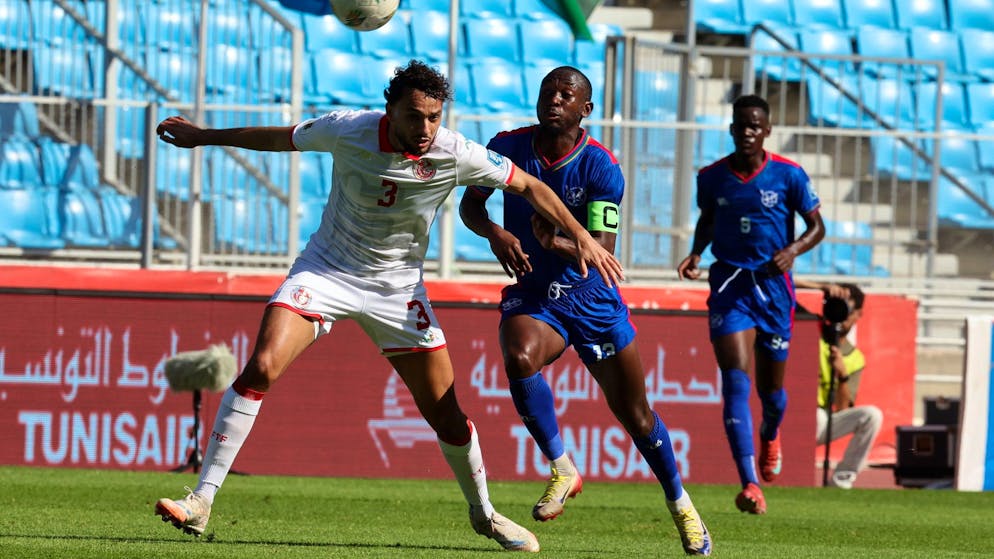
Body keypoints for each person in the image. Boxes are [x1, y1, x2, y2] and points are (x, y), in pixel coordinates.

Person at [152, 59, 625, 553]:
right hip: (326, 271)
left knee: (445, 413)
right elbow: (278, 138)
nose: (426, 129)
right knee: (263, 365)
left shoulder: (456, 151)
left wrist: (580, 238)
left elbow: (531, 186)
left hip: (398, 292)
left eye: (435, 117)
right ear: (389, 111)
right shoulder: (347, 129)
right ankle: (202, 500)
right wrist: (203, 136)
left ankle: (484, 514)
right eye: (415, 116)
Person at [459, 66, 711, 556]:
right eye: (547, 92)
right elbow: (471, 206)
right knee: (518, 358)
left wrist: (550, 237)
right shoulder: (507, 146)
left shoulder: (601, 167)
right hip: (535, 296)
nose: (554, 99)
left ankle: (681, 504)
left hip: (591, 298)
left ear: (585, 109)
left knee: (635, 417)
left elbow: (600, 249)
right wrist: (497, 234)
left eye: (565, 94)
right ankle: (562, 467)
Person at [677, 94, 825, 515]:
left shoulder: (789, 175)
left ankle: (770, 432)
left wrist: (794, 250)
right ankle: (749, 483)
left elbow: (818, 227)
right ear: (731, 129)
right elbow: (708, 218)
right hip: (730, 284)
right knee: (735, 382)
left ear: (767, 131)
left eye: (755, 126)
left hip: (774, 290)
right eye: (740, 125)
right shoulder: (711, 177)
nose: (747, 132)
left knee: (771, 392)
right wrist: (696, 252)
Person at [797, 280, 883, 489]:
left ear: (858, 313)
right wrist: (821, 287)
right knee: (816, 415)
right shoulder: (809, 326)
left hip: (823, 420)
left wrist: (842, 374)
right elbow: (783, 284)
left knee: (872, 416)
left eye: (847, 308)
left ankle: (841, 481)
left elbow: (843, 408)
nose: (841, 314)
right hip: (795, 414)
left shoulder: (855, 358)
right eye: (837, 305)